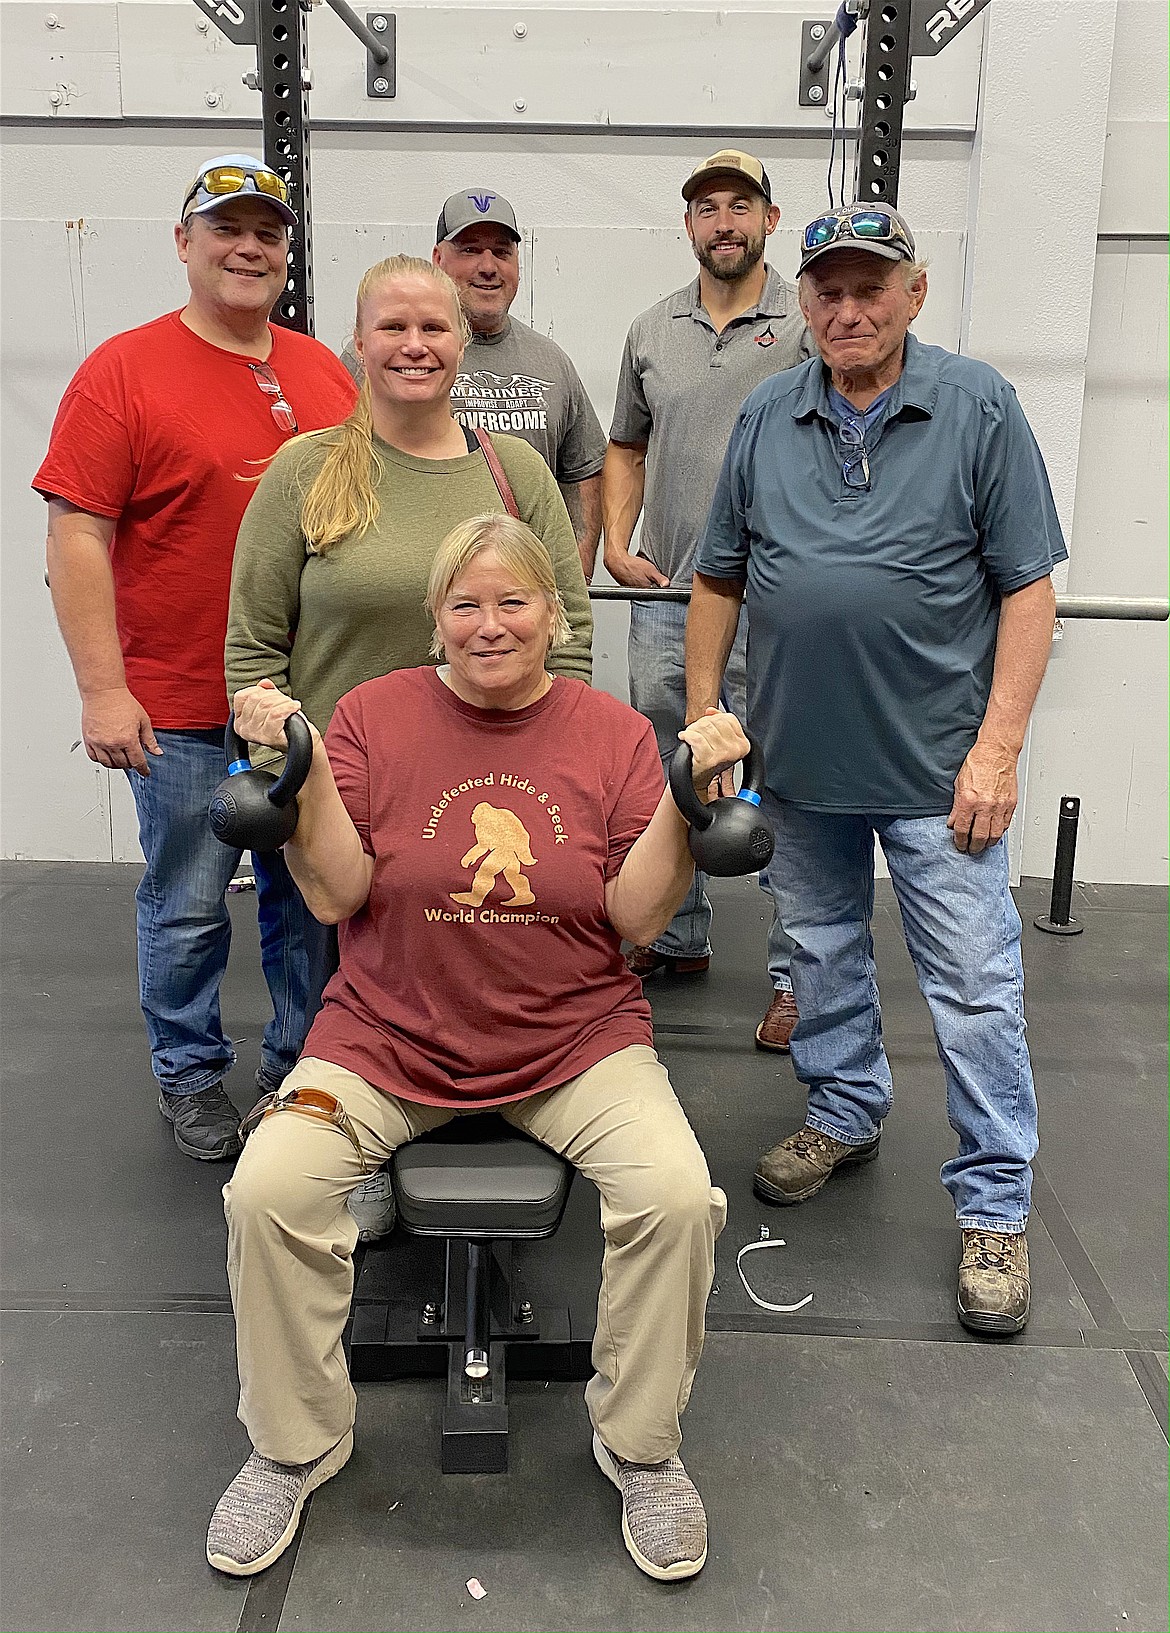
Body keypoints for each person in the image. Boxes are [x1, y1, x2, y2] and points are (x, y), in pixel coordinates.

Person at [207, 514, 736, 1582]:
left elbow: (637, 917)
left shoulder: (613, 734)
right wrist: (298, 766)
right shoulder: (372, 715)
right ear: (435, 619)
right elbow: (340, 890)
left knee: (678, 1195)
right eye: (465, 604)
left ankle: (642, 1448)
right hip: (385, 1034)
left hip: (575, 1040)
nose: (490, 625)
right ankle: (293, 1441)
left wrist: (685, 801)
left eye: (514, 601)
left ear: (553, 611)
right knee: (267, 1186)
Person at [688, 202, 1068, 1335]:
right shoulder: (769, 411)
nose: (848, 309)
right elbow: (718, 574)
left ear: (913, 293)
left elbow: (1029, 586)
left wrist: (998, 748)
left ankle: (995, 1202)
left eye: (871, 288)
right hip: (800, 770)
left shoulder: (978, 405)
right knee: (817, 955)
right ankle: (845, 1108)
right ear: (801, 304)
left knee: (975, 989)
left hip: (942, 775)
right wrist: (708, 713)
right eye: (828, 291)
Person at [225, 253, 593, 1238]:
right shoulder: (306, 471)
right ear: (358, 344)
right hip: (339, 799)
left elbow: (572, 630)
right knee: (326, 991)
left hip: (481, 797)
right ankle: (350, 1154)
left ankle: (493, 1119)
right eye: (392, 327)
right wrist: (285, 784)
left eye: (432, 327)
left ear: (462, 340)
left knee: (473, 984)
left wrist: (568, 773)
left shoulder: (511, 473)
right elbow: (254, 653)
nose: (414, 345)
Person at [33, 155, 359, 1162]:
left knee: (310, 901)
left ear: (286, 254)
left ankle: (301, 1065)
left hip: (299, 704)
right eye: (227, 229)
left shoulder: (321, 370)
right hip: (178, 706)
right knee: (186, 905)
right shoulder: (121, 373)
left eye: (268, 232)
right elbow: (76, 534)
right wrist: (102, 689)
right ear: (185, 244)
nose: (249, 246)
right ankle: (187, 1072)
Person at [603, 149, 812, 1047]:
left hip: (780, 601)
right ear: (687, 225)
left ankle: (795, 975)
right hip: (672, 595)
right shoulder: (652, 329)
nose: (724, 221)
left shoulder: (806, 324)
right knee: (671, 769)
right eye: (707, 208)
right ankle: (678, 936)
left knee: (788, 780)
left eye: (741, 205)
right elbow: (625, 444)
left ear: (771, 218)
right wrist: (618, 542)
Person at [339, 189, 606, 578]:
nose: (488, 266)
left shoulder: (552, 363)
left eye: (502, 252)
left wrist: (572, 575)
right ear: (437, 259)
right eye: (469, 250)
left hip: (513, 606)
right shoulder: (376, 360)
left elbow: (581, 469)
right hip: (402, 585)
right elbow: (335, 461)